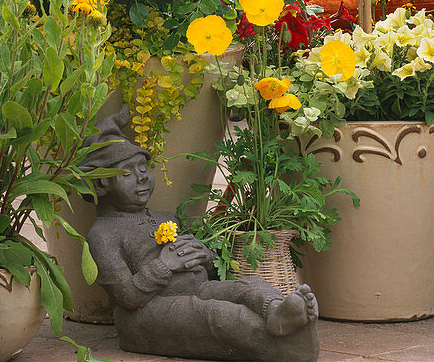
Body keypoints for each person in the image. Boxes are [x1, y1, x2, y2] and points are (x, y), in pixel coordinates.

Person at [82, 108, 319, 362]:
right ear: (100, 184)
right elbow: (127, 297)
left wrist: (203, 255)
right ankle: (283, 343)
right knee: (215, 314)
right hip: (146, 312)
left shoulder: (164, 217)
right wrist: (165, 265)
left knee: (249, 285)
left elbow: (210, 274)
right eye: (128, 172)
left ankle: (276, 312)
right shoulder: (102, 234)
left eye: (143, 168)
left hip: (197, 289)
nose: (142, 179)